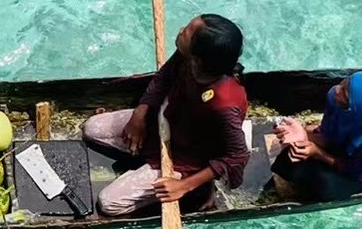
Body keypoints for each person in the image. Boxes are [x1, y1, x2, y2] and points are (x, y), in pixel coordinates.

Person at [83, 15, 251, 216]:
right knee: (92, 128)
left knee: (108, 203)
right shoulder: (188, 57)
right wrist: (140, 114)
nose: (180, 30)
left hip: (188, 158)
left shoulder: (224, 104)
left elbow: (237, 156)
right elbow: (163, 77)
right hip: (166, 123)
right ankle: (145, 159)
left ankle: (198, 191)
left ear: (198, 57)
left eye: (186, 31)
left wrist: (185, 185)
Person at [270, 69, 362, 203]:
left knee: (323, 184)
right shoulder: (335, 98)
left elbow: (353, 172)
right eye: (345, 83)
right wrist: (303, 134)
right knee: (292, 154)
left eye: (345, 94)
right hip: (344, 145)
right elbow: (328, 133)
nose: (337, 91)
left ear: (359, 109)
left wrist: (317, 153)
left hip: (361, 172)